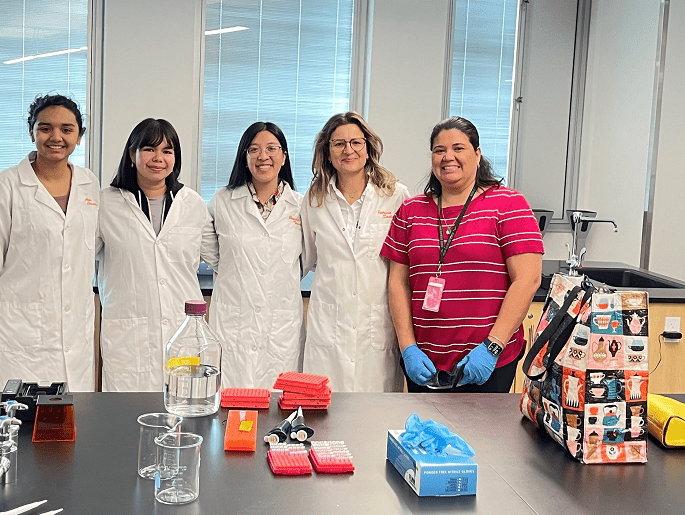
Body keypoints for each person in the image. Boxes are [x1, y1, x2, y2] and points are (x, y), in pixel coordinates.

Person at [381, 116, 543, 393]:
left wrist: (492, 347)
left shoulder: (508, 205)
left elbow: (527, 280)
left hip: (487, 361)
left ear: (477, 154)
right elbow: (398, 283)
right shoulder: (411, 211)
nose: (448, 157)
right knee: (426, 436)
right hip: (424, 364)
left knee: (481, 436)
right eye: (439, 150)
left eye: (458, 148)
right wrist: (407, 347)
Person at [0, 94, 99, 392]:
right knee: (15, 422)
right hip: (19, 331)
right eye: (45, 128)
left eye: (67, 129)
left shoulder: (90, 184)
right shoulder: (5, 185)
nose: (56, 137)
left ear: (79, 135)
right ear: (32, 132)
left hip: (74, 331)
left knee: (69, 424)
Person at [97, 118, 216, 391]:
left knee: (184, 414)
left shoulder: (192, 203)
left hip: (182, 329)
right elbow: (77, 257)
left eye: (167, 151)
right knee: (128, 415)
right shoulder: (107, 203)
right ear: (132, 153)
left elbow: (221, 258)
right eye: (149, 149)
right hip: (128, 333)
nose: (158, 158)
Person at [300, 112, 410, 392]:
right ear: (327, 152)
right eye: (338, 144)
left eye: (355, 142)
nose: (348, 150)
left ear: (368, 147)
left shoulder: (396, 196)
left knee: (374, 418)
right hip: (328, 329)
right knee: (325, 419)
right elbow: (309, 258)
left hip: (376, 328)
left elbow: (405, 262)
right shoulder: (314, 199)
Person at [204, 122, 303, 389]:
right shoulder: (222, 201)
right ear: (244, 157)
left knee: (276, 409)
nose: (263, 156)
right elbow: (212, 252)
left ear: (284, 156)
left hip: (280, 328)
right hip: (234, 325)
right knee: (230, 408)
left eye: (272, 148)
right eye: (254, 149)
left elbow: (308, 258)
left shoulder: (301, 206)